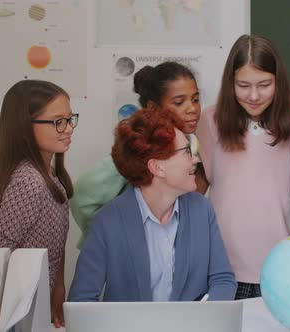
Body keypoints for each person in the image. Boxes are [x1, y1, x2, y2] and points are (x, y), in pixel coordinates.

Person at [68, 108, 236, 302]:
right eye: (187, 152)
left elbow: (223, 280)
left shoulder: (201, 209)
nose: (195, 159)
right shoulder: (107, 221)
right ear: (157, 167)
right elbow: (81, 299)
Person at [197, 34, 290, 299]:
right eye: (243, 85)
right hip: (223, 270)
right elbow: (196, 188)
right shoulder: (210, 121)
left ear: (278, 81)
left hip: (283, 268)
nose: (254, 96)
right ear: (230, 83)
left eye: (264, 85)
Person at [70, 61, 206, 249]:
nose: (192, 108)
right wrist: (113, 236)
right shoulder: (138, 149)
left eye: (196, 99)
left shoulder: (193, 143)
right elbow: (82, 198)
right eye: (179, 102)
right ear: (152, 107)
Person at [0, 79, 78, 328]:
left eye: (70, 119)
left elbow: (55, 247)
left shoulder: (51, 176)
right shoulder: (29, 181)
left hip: (38, 301)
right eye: (58, 122)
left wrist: (58, 287)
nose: (68, 128)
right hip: (20, 307)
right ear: (26, 127)